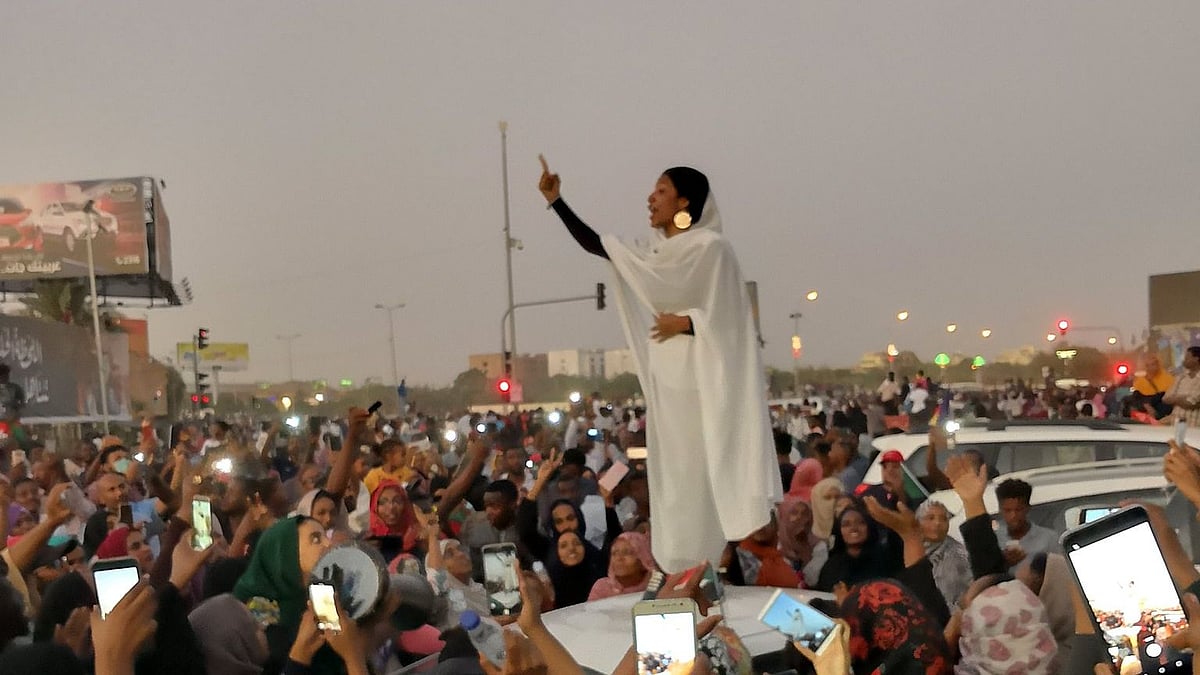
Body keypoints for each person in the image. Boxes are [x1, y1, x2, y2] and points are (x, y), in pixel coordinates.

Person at [541, 157, 779, 572]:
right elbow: (602, 246)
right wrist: (557, 201)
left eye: (661, 191)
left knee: (702, 475)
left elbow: (734, 319)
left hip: (703, 385)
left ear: (685, 202)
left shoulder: (712, 249)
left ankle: (711, 565)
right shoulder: (654, 253)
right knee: (675, 482)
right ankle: (681, 567)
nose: (651, 198)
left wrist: (687, 322)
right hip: (668, 386)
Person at [916, 500, 971, 610]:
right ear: (918, 522)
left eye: (943, 519)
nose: (937, 523)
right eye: (930, 518)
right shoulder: (911, 549)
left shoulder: (958, 554)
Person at [994, 478, 1058, 570]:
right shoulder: (993, 540)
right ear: (1000, 510)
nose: (1013, 515)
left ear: (1028, 508)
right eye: (1007, 510)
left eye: (1019, 510)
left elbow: (1058, 573)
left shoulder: (1049, 539)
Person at [587, 531, 656, 601]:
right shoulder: (602, 587)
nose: (619, 558)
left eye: (627, 553)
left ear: (644, 557)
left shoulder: (657, 585)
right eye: (614, 553)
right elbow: (591, 611)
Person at [543, 530, 604, 609]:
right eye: (564, 546)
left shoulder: (601, 583)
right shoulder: (549, 590)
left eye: (577, 543)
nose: (571, 548)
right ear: (557, 553)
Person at [1164, 346, 1200, 428]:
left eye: (1187, 357)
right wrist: (1182, 398)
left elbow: (1190, 403)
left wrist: (1175, 399)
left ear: (1196, 359)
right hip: (1175, 425)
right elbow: (1166, 398)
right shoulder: (1181, 377)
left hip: (1195, 426)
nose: (1184, 360)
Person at [1133, 353, 1176, 419]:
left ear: (1158, 365)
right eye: (1147, 365)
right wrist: (1147, 406)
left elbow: (1169, 396)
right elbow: (1137, 398)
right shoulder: (1140, 381)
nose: (1150, 367)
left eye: (1153, 364)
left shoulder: (1168, 379)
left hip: (1164, 415)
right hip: (1145, 417)